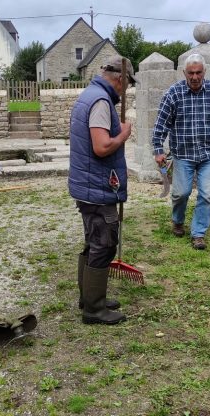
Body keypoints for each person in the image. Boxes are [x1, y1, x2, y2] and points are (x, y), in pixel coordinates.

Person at [68, 55, 135, 325]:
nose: (126, 89)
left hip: (88, 184)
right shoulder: (100, 101)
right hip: (96, 186)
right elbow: (101, 146)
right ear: (120, 78)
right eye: (128, 84)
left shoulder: (90, 94)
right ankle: (94, 310)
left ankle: (89, 298)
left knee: (93, 242)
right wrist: (123, 135)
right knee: (104, 245)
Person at [151, 53, 210, 250]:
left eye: (198, 72)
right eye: (191, 73)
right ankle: (178, 221)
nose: (195, 77)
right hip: (183, 154)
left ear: (204, 72)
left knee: (206, 195)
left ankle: (198, 233)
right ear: (184, 73)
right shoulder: (173, 93)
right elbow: (161, 124)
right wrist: (158, 150)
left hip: (209, 153)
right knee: (181, 193)